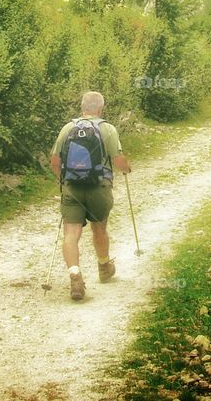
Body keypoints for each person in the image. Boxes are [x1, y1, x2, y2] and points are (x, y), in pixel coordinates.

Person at [50, 92, 131, 301]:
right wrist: (126, 169)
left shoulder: (68, 129)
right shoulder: (107, 129)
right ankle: (104, 266)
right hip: (99, 187)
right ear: (100, 109)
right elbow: (118, 160)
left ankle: (75, 275)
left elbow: (54, 163)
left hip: (72, 187)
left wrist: (66, 179)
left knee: (71, 234)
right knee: (99, 228)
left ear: (81, 107)